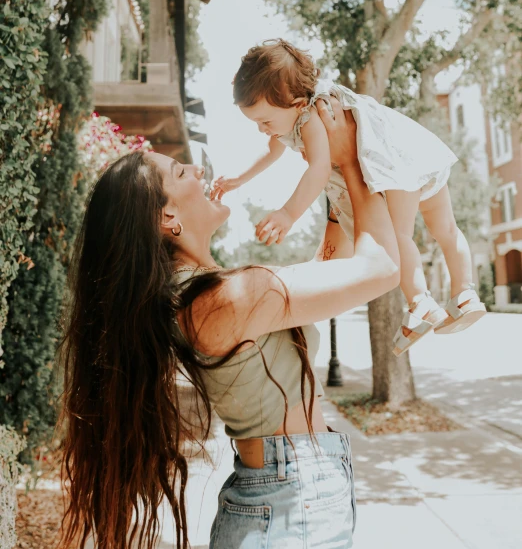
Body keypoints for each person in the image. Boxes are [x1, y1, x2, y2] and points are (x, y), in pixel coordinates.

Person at [58, 97, 399, 549]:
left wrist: (332, 183)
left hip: (285, 497)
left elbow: (327, 275)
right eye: (181, 173)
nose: (198, 171)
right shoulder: (220, 300)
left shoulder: (203, 294)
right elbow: (382, 269)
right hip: (290, 503)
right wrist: (353, 161)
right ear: (168, 217)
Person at [214, 39, 486, 356]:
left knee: (397, 238)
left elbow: (317, 170)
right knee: (447, 229)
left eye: (265, 121)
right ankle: (465, 294)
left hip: (395, 167)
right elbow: (270, 152)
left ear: (294, 101)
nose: (263, 129)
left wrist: (288, 213)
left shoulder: (312, 116)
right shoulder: (293, 116)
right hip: (419, 153)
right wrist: (239, 179)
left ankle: (421, 303)